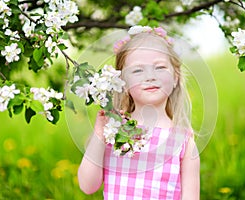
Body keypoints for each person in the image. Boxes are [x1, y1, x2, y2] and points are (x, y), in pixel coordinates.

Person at [78, 26, 200, 200]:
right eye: (137, 70)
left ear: (175, 77)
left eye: (159, 67)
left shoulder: (183, 142)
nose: (150, 76)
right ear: (123, 83)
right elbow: (87, 186)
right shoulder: (114, 130)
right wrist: (99, 135)